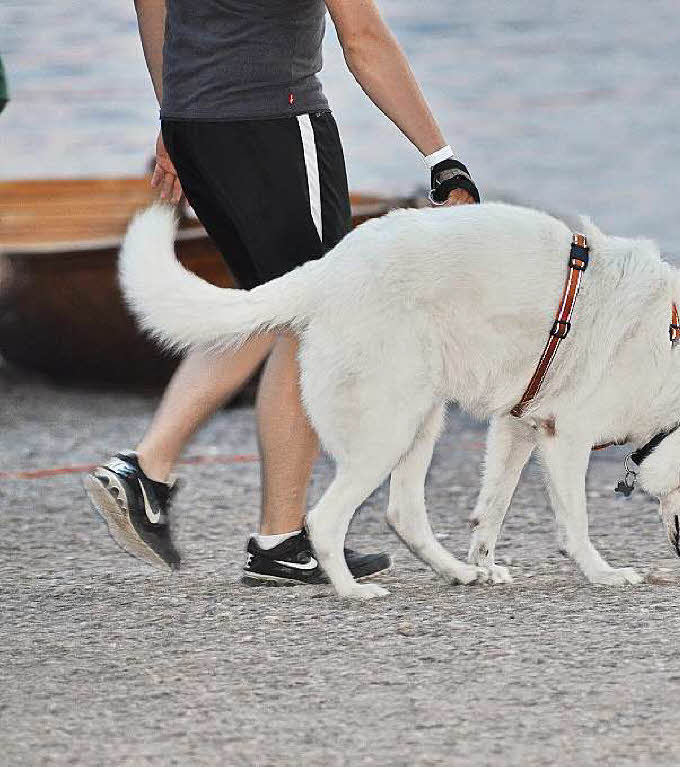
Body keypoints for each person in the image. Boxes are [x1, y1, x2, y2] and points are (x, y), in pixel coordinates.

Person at [84, 0, 479, 585]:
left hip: (200, 125)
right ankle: (158, 471)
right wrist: (442, 159)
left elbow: (152, 5)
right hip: (274, 121)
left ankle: (271, 535)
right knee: (316, 312)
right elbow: (363, 38)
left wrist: (174, 113)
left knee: (270, 304)